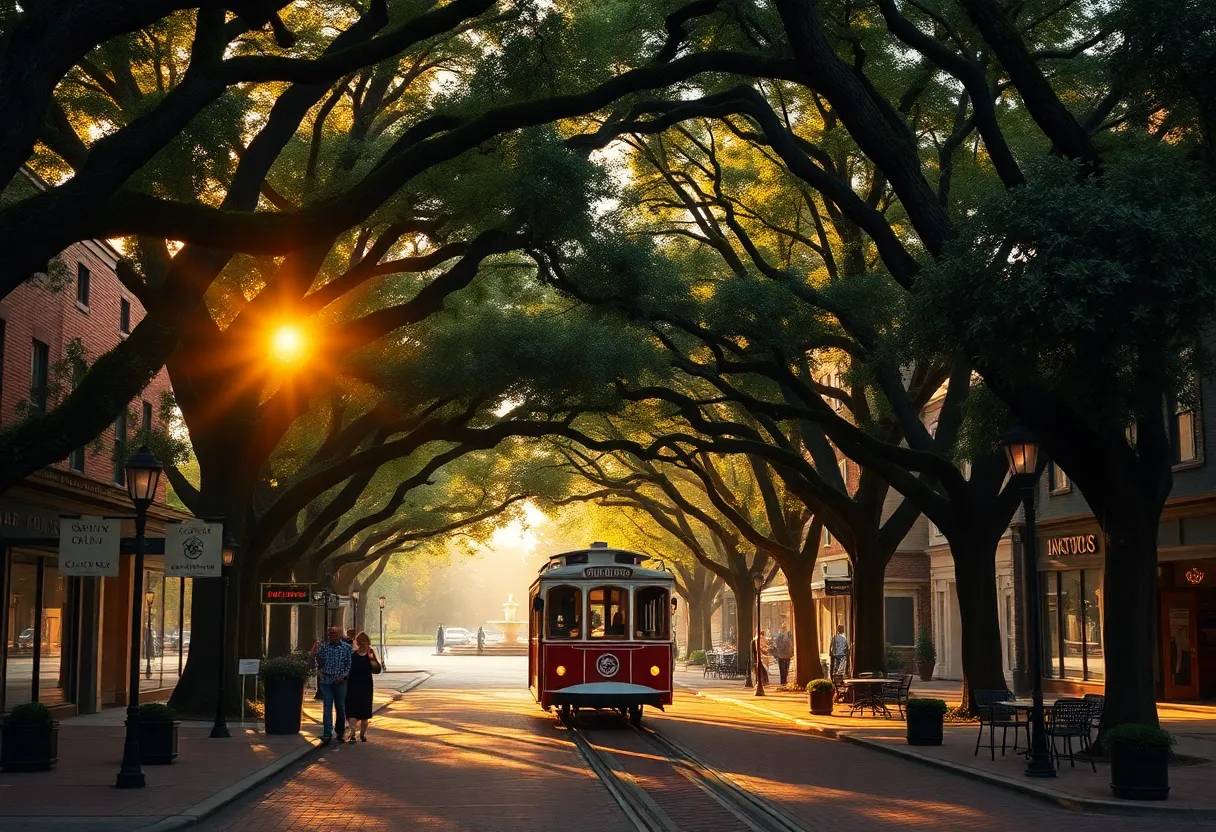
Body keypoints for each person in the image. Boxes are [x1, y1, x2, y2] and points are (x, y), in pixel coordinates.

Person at [311, 626, 353, 743]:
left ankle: (340, 731)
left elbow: (349, 665)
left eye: (334, 633)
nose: (332, 636)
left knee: (340, 707)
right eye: (330, 634)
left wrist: (344, 675)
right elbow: (317, 661)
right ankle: (327, 733)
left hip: (340, 682)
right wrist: (314, 655)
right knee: (327, 707)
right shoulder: (324, 648)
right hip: (327, 680)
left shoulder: (347, 648)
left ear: (340, 634)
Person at [345, 632, 382, 742]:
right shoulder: (357, 655)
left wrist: (372, 659)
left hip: (357, 685)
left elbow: (376, 670)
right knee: (362, 712)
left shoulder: (358, 655)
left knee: (355, 711)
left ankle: (356, 734)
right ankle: (359, 735)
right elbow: (376, 670)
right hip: (361, 685)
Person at [772, 620, 795, 685]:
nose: (784, 628)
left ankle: (785, 681)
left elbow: (792, 643)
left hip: (788, 654)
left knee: (786, 669)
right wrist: (780, 648)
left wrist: (792, 650)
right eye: (783, 627)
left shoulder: (789, 634)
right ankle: (782, 682)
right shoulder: (779, 635)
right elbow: (776, 644)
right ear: (781, 628)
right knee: (782, 670)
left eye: (785, 627)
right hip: (781, 655)